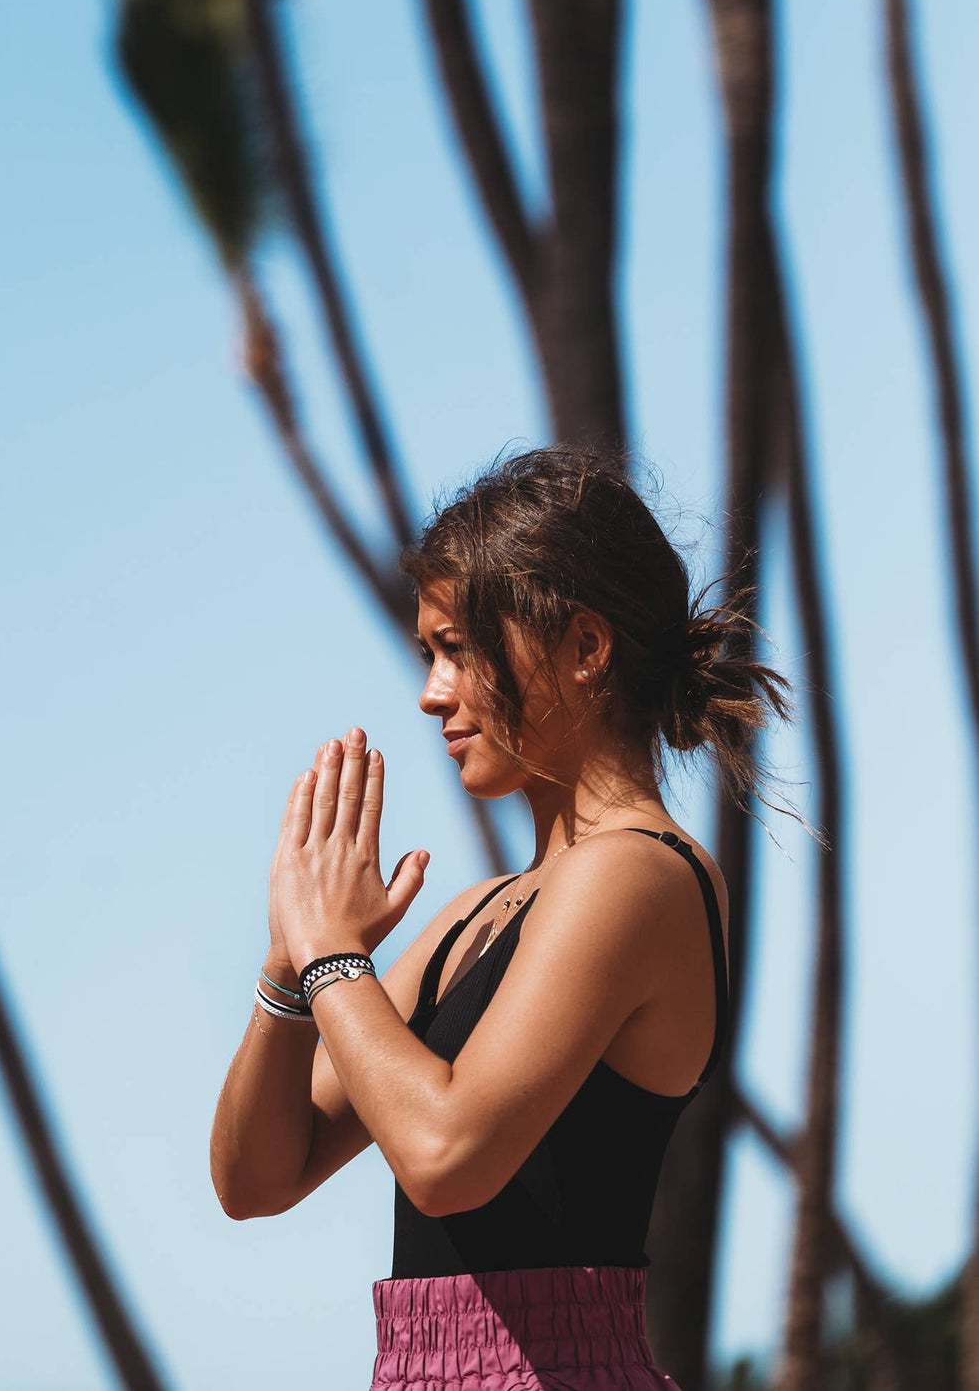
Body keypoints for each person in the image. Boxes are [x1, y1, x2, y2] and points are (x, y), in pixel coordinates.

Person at [209, 447, 791, 1390]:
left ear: (584, 648)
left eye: (459, 648)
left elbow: (445, 1154)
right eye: (428, 654)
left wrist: (332, 959)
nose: (432, 693)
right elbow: (256, 1180)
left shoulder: (637, 874)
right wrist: (289, 967)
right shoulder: (476, 916)